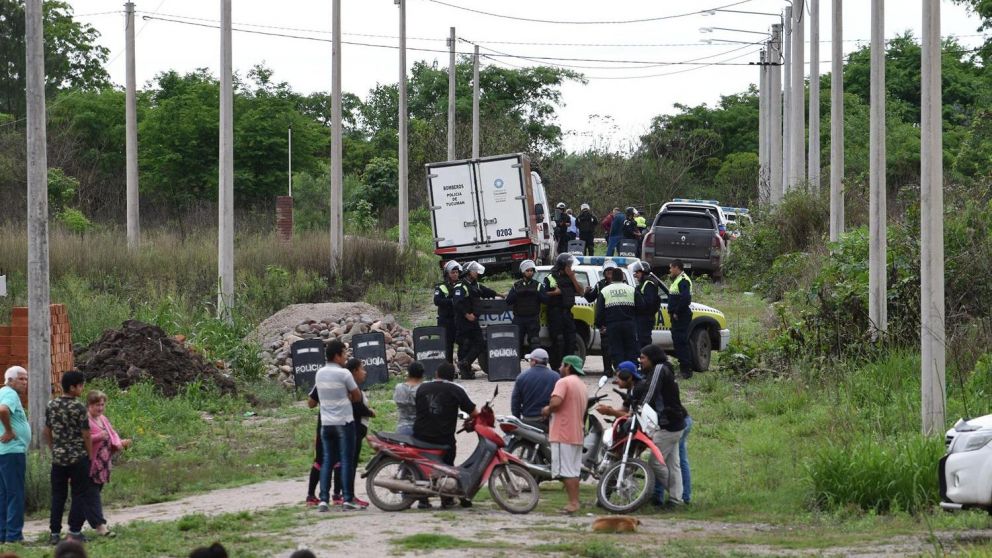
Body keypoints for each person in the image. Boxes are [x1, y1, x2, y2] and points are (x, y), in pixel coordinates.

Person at [307, 340, 364, 512]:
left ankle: (323, 500)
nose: (346, 358)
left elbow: (312, 401)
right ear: (337, 355)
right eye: (345, 354)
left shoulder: (319, 373)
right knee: (345, 461)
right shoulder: (344, 374)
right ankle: (347, 499)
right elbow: (357, 396)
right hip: (344, 422)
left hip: (326, 424)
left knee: (326, 462)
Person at [413, 362, 478, 508]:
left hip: (420, 436)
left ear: (436, 374)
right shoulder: (456, 390)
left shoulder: (422, 388)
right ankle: (446, 498)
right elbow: (474, 412)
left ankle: (423, 500)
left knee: (423, 466)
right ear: (453, 376)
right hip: (444, 438)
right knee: (448, 465)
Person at [45, 370, 94, 546]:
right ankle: (74, 532)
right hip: (77, 458)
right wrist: (89, 455)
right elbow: (86, 434)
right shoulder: (79, 407)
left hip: (58, 459)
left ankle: (55, 533)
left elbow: (47, 430)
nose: (82, 388)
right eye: (80, 385)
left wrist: (54, 449)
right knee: (79, 494)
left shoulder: (52, 405)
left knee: (58, 495)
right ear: (72, 387)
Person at [639, 346, 687, 507]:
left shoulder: (659, 369)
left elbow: (650, 392)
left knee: (655, 462)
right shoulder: (664, 369)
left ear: (652, 358)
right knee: (673, 464)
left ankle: (674, 493)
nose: (641, 360)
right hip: (675, 422)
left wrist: (639, 408)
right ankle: (677, 499)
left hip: (669, 425)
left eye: (643, 357)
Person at [541, 355, 587, 514]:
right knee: (573, 470)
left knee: (566, 470)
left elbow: (556, 403)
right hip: (577, 433)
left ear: (568, 366)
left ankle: (573, 503)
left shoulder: (563, 382)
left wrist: (546, 410)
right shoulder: (581, 385)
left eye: (562, 365)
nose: (560, 368)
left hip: (563, 432)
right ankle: (574, 501)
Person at [84, 390, 131, 538]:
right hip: (89, 464)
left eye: (102, 405)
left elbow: (112, 434)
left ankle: (79, 525)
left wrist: (119, 443)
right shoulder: (85, 420)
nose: (100, 408)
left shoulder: (103, 419)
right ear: (89, 405)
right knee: (92, 495)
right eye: (97, 405)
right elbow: (81, 440)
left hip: (102, 465)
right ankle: (101, 526)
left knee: (92, 495)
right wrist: (98, 436)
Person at [331, 358, 375, 508]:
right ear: (355, 371)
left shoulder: (349, 387)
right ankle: (348, 497)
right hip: (353, 430)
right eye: (362, 369)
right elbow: (356, 407)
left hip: (352, 430)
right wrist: (369, 412)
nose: (364, 372)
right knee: (349, 464)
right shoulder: (351, 388)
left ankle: (340, 494)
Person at [452, 261, 499, 379]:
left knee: (479, 344)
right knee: (465, 345)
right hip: (463, 322)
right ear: (468, 273)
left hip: (473, 321)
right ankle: (465, 370)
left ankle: (465, 363)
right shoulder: (460, 286)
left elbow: (486, 291)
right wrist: (467, 315)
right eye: (474, 271)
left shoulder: (475, 285)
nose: (477, 273)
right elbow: (457, 303)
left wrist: (500, 295)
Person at [0, 366, 29, 543]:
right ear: (10, 380)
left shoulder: (3, 392)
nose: (25, 383)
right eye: (21, 379)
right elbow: (3, 410)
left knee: (5, 494)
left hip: (5, 452)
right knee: (15, 494)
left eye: (26, 379)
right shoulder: (9, 393)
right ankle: (14, 536)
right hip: (12, 451)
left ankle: (3, 534)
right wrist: (10, 431)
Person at [540, 253, 584, 370]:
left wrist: (573, 277)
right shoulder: (550, 278)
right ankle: (556, 368)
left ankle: (568, 367)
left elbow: (580, 292)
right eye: (569, 265)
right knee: (559, 341)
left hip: (567, 313)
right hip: (555, 314)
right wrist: (554, 293)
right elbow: (542, 295)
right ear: (563, 266)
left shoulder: (571, 278)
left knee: (571, 340)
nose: (571, 268)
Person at [595, 265, 641, 367]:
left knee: (617, 350)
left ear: (612, 278)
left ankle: (621, 374)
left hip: (612, 326)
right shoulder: (631, 290)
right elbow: (641, 307)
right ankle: (632, 374)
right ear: (622, 277)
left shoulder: (605, 291)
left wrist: (600, 325)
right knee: (630, 349)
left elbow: (599, 311)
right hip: (629, 325)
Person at [583, 260, 618, 375]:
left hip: (617, 320)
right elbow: (590, 298)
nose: (609, 272)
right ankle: (607, 370)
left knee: (618, 346)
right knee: (606, 347)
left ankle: (619, 369)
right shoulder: (600, 284)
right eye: (607, 270)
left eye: (611, 270)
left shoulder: (621, 284)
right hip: (605, 321)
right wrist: (587, 292)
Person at [510, 348, 558, 431]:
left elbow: (515, 402)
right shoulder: (556, 377)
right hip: (548, 420)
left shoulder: (521, 377)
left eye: (530, 360)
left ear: (534, 361)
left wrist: (517, 420)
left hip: (528, 419)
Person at [505, 260, 542, 353]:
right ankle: (516, 365)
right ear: (523, 272)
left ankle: (535, 365)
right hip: (519, 319)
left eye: (531, 270)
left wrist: (536, 293)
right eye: (528, 270)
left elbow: (546, 299)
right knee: (516, 344)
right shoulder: (516, 286)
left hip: (533, 318)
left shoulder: (538, 285)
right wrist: (517, 293)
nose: (530, 273)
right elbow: (508, 301)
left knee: (535, 342)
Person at [668, 259, 694, 379]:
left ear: (676, 268)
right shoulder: (677, 280)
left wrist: (677, 312)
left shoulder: (683, 280)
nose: (670, 270)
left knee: (681, 342)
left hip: (681, 316)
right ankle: (684, 368)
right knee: (678, 343)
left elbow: (685, 298)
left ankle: (686, 370)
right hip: (678, 316)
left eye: (671, 268)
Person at [630, 261, 662, 350]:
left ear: (644, 271)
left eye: (637, 272)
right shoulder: (643, 283)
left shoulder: (649, 284)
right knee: (641, 342)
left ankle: (647, 361)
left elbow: (648, 302)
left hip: (645, 318)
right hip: (642, 318)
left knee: (644, 343)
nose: (636, 275)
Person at [434, 260, 462, 363]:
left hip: (458, 320)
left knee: (463, 344)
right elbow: (436, 301)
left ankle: (463, 366)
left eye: (456, 272)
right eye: (453, 272)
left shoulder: (461, 285)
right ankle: (449, 368)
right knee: (448, 346)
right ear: (447, 274)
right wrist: (451, 301)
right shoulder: (441, 286)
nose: (455, 274)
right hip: (446, 321)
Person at [393, 362, 425, 436]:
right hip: (421, 428)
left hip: (402, 427)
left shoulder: (399, 387)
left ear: (409, 373)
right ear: (422, 375)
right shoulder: (423, 389)